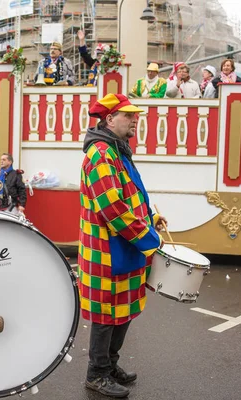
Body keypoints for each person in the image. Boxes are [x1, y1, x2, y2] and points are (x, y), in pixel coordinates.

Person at [79, 93, 167, 398]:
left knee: (123, 310)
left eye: (135, 115)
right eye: (128, 115)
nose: (134, 119)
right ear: (109, 120)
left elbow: (132, 194)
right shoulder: (100, 153)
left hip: (124, 246)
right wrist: (149, 240)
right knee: (106, 314)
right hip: (106, 249)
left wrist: (151, 216)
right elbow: (111, 207)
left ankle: (110, 364)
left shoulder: (118, 152)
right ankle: (96, 373)